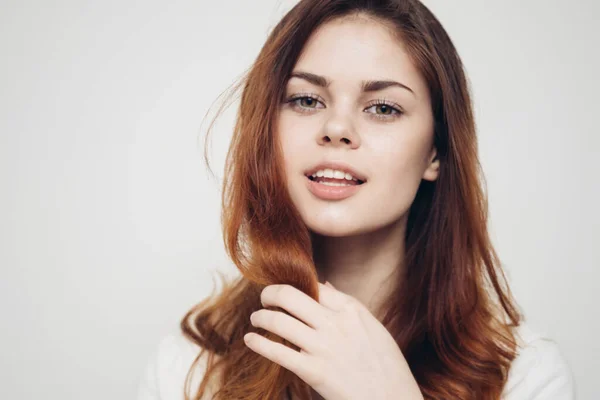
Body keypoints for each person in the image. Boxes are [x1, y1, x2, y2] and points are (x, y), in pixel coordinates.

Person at [138, 0, 575, 399]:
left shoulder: (525, 376)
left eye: (383, 108)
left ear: (435, 151)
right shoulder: (189, 369)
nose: (336, 127)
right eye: (306, 99)